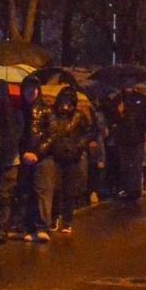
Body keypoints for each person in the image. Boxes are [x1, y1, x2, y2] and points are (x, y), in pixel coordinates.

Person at [48, 87, 95, 233]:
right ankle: (55, 217)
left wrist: (78, 147)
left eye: (69, 103)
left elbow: (87, 133)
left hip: (72, 158)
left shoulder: (79, 116)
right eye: (63, 103)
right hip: (56, 156)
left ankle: (67, 220)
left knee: (69, 191)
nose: (65, 106)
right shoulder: (52, 115)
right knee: (56, 189)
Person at [15, 75, 56, 241]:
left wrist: (38, 153)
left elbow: (52, 134)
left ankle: (41, 226)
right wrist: (23, 152)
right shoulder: (19, 112)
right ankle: (28, 226)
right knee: (26, 192)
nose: (30, 92)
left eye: (34, 89)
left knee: (41, 191)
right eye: (27, 89)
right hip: (25, 157)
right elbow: (17, 135)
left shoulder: (47, 110)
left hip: (43, 157)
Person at [0, 80, 24, 243]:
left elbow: (16, 136)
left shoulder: (14, 114)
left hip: (9, 160)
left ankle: (0, 228)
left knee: (4, 195)